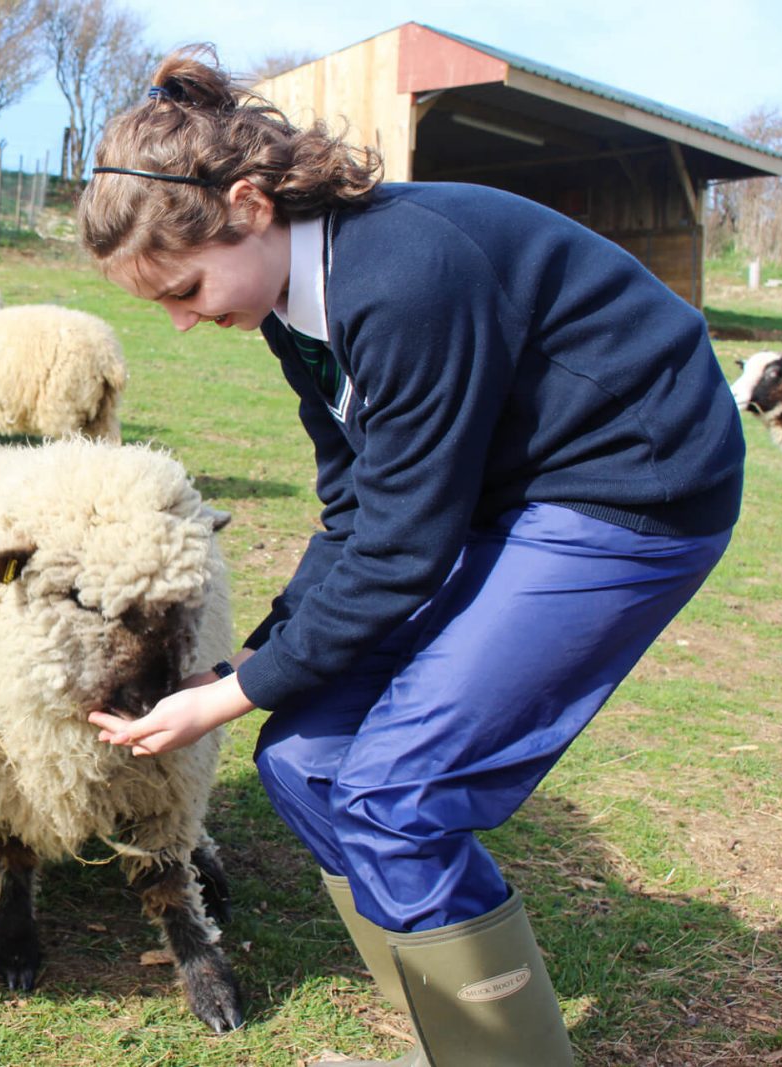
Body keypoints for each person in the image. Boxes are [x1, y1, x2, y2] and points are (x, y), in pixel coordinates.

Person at [81, 46, 743, 1066]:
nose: (179, 318)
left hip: (630, 485)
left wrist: (233, 689)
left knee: (394, 793)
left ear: (250, 205)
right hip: (502, 487)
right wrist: (253, 662)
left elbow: (403, 546)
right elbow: (353, 501)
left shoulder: (400, 276)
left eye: (183, 286)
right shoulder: (291, 309)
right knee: (305, 761)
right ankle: (463, 1041)